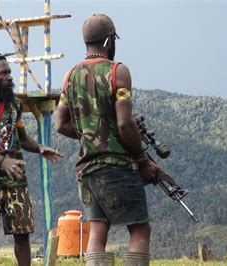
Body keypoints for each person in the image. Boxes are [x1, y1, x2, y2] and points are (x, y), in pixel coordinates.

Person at [55, 14, 162, 266]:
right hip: (118, 167)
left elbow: (60, 124)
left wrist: (91, 135)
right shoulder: (118, 72)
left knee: (98, 228)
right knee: (139, 229)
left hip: (87, 169)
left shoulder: (70, 76)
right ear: (109, 40)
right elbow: (125, 123)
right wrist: (142, 159)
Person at [0, 52, 62, 266]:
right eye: (3, 73)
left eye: (9, 72)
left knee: (22, 234)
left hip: (16, 179)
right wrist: (1, 161)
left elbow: (22, 139)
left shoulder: (15, 104)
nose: (9, 76)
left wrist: (40, 148)